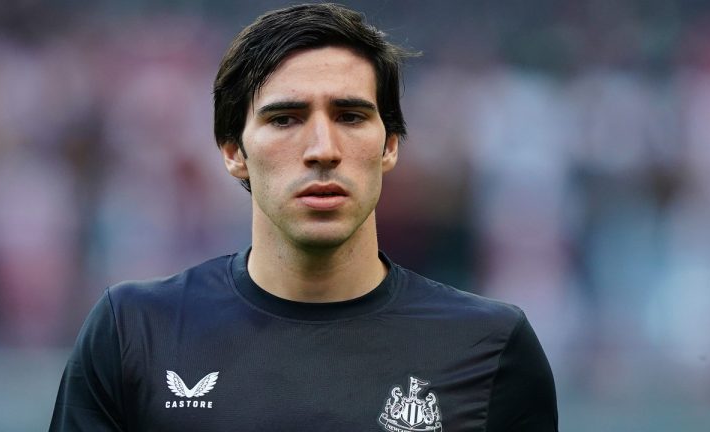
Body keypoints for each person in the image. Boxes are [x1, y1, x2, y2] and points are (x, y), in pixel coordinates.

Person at [50, 3, 558, 431]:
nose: (322, 149)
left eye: (351, 116)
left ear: (390, 146)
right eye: (285, 118)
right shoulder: (134, 330)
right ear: (233, 151)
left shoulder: (491, 346)